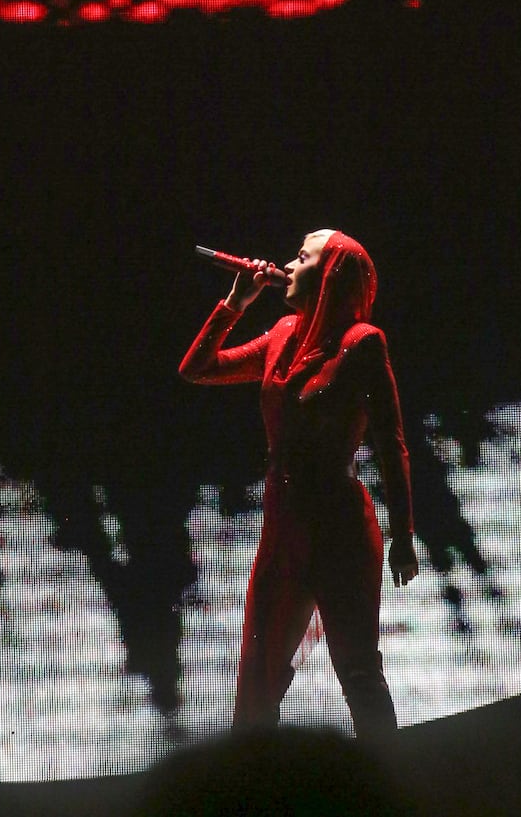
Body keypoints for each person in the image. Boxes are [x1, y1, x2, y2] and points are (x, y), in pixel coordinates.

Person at [179, 229, 418, 738]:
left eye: (303, 257)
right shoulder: (283, 334)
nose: (288, 264)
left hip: (340, 530)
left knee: (357, 670)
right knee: (259, 672)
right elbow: (197, 369)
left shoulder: (362, 343)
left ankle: (391, 775)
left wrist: (404, 535)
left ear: (330, 275)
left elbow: (391, 443)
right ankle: (254, 775)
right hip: (283, 527)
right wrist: (234, 304)